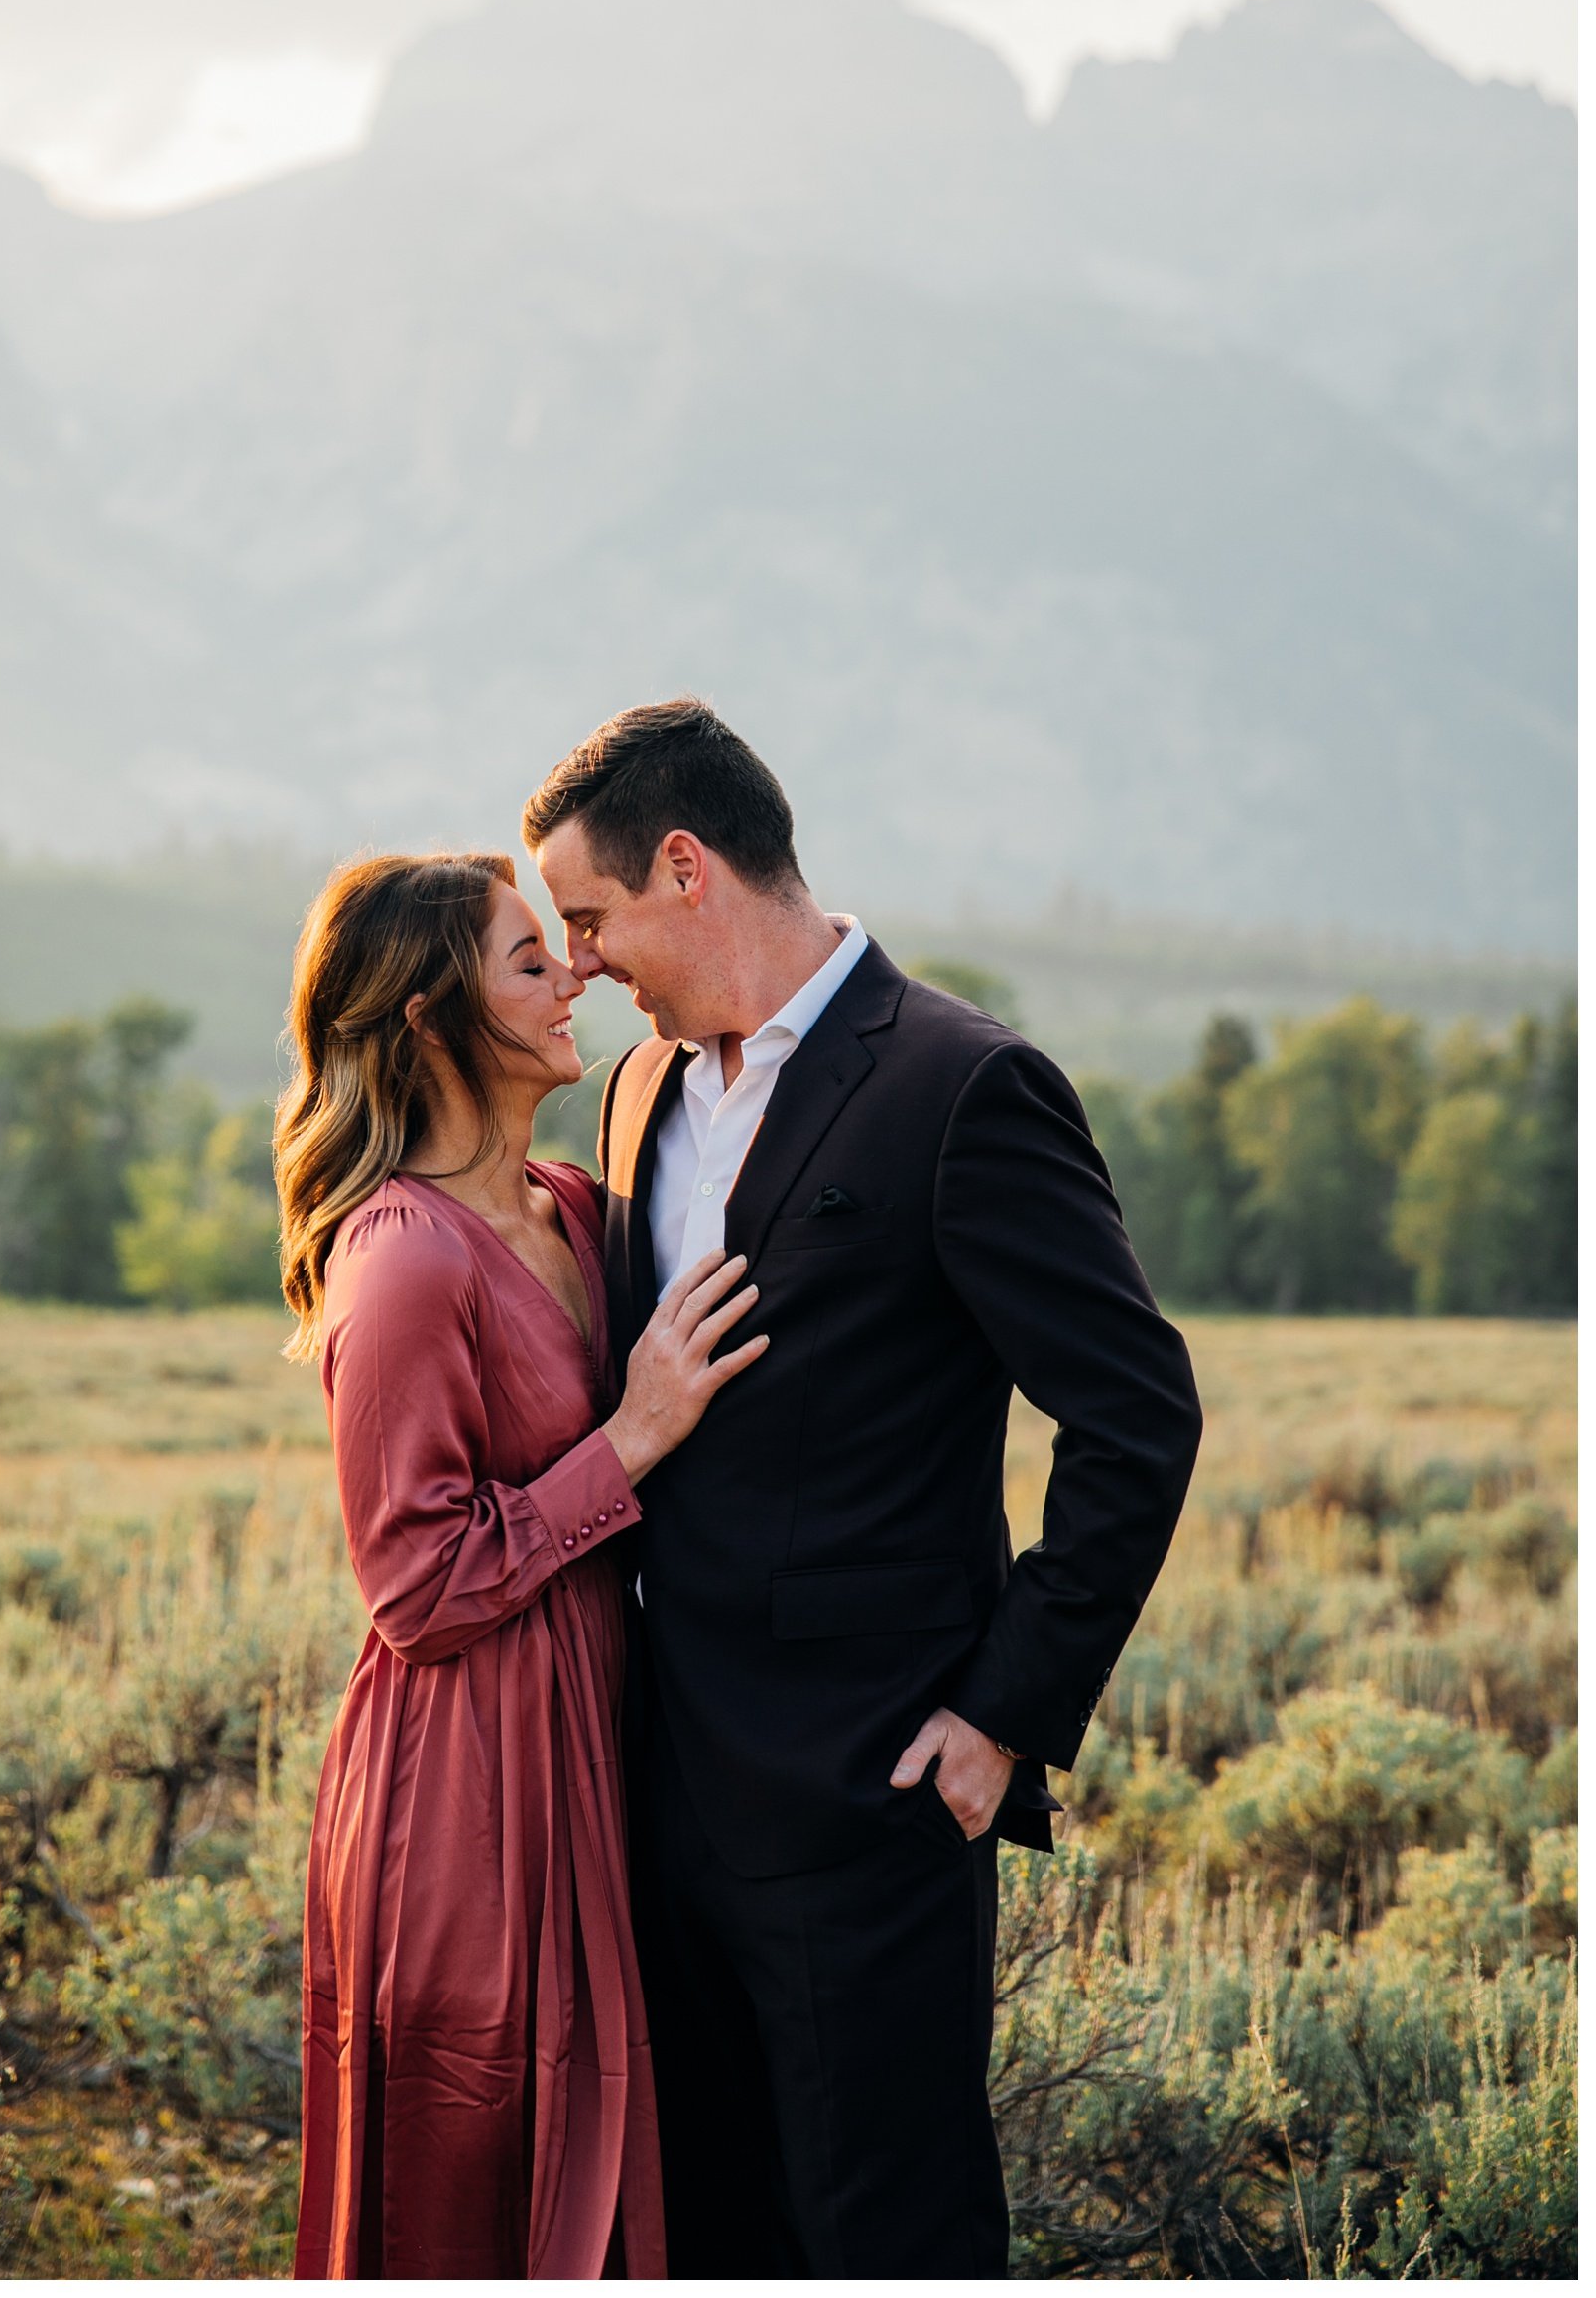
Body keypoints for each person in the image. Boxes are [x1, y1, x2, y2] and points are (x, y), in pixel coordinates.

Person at [524, 700, 1205, 2279]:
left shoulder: (963, 1087)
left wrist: (1007, 1711)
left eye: (593, 915)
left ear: (685, 865)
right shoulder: (636, 1094)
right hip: (658, 1800)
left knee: (888, 2240)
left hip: (869, 1808)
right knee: (708, 2236)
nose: (585, 960)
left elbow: (1136, 1414)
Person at [275, 849, 764, 2279]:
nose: (576, 977)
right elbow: (413, 1588)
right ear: (430, 1018)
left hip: (597, 1730)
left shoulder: (569, 1199)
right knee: (482, 2169)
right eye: (529, 959)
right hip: (468, 1778)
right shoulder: (402, 1260)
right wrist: (636, 1434)